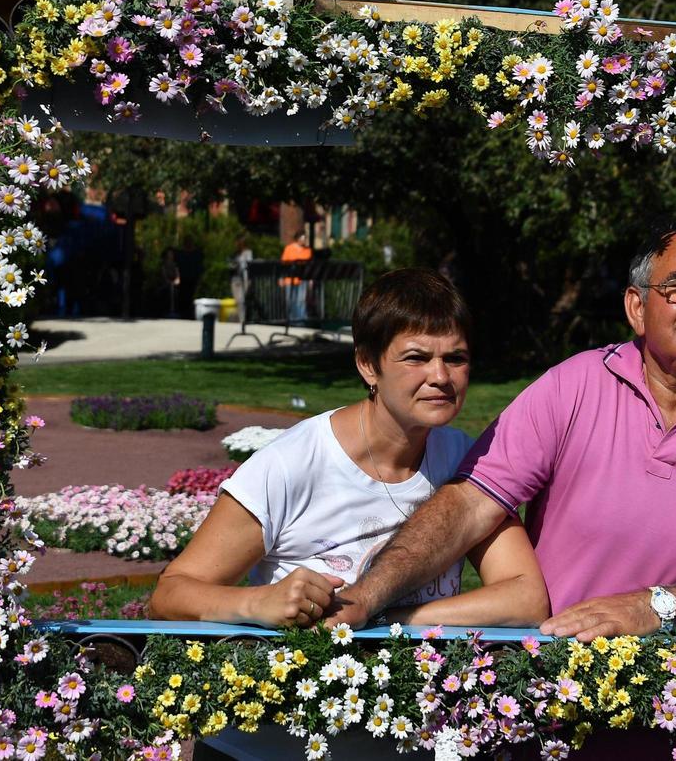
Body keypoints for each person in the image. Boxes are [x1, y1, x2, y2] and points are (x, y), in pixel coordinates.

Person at [329, 221, 676, 759]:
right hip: (533, 720)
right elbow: (470, 502)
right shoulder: (575, 386)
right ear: (637, 308)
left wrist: (666, 607)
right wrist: (368, 595)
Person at [151, 268, 548, 758]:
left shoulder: (464, 461)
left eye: (456, 358)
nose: (440, 377)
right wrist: (260, 604)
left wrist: (386, 616)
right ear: (367, 365)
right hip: (265, 747)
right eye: (416, 358)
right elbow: (170, 593)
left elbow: (525, 598)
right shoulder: (292, 463)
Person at [279, 229, 312, 324]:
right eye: (303, 238)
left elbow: (308, 266)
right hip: (289, 279)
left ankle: (301, 321)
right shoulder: (289, 249)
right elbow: (283, 264)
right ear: (298, 238)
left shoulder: (307, 250)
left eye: (305, 238)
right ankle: (291, 321)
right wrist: (281, 278)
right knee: (290, 300)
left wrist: (310, 279)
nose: (304, 240)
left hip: (302, 279)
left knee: (301, 301)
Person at [228, 233, 253, 324]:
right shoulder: (234, 254)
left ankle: (243, 320)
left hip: (244, 279)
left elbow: (248, 266)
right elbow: (231, 266)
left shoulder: (248, 253)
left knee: (242, 300)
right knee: (237, 300)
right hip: (235, 279)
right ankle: (240, 318)